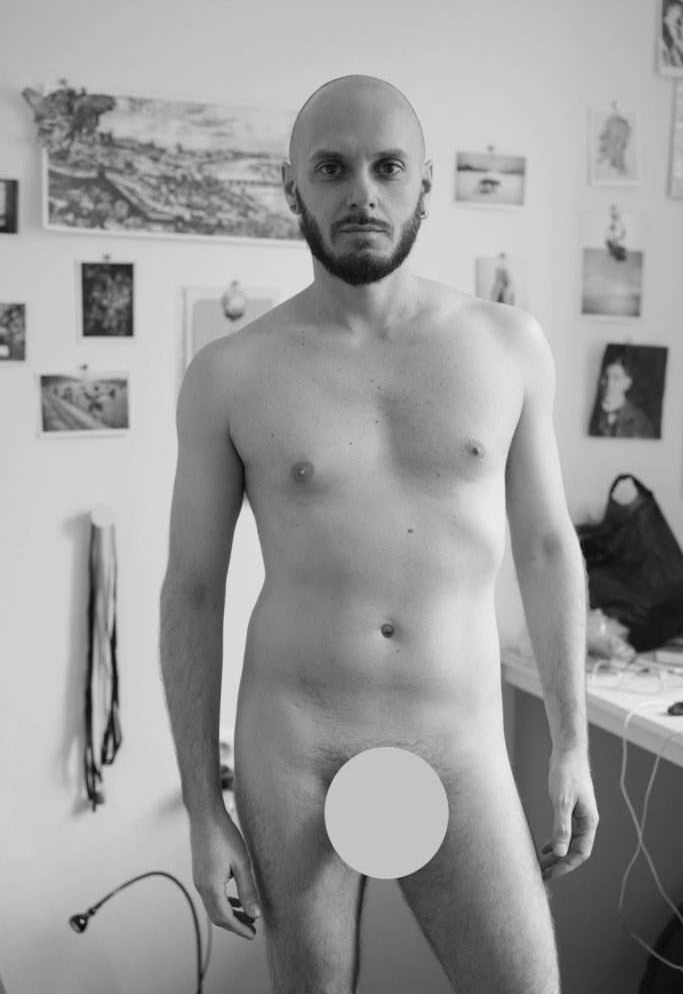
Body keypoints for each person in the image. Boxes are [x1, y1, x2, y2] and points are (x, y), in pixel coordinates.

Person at [159, 74, 598, 994]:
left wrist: (571, 743)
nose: (361, 192)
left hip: (456, 741)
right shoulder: (229, 373)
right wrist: (204, 807)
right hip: (296, 744)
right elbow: (192, 589)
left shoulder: (508, 346)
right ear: (291, 187)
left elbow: (547, 548)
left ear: (424, 184)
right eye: (332, 168)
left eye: (387, 166)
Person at [589, 353, 655, 438]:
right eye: (605, 377)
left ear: (627, 383)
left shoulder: (639, 421)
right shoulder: (591, 413)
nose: (609, 384)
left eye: (616, 378)